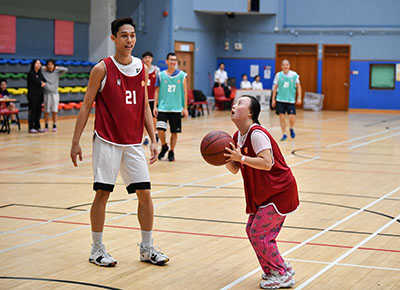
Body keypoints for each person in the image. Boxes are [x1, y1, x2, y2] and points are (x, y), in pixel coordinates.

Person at [70, 17, 169, 267]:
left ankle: (147, 248)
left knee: (145, 194)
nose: (129, 40)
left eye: (133, 35)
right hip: (107, 140)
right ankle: (96, 248)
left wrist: (154, 138)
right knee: (102, 193)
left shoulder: (140, 67)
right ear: (114, 38)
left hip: (133, 141)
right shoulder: (102, 68)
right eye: (124, 35)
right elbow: (85, 107)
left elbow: (145, 105)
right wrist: (75, 142)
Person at [224, 95, 299, 289]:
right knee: (252, 231)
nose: (234, 105)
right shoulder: (236, 137)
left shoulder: (256, 134)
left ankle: (281, 274)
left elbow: (267, 163)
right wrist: (222, 157)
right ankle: (277, 269)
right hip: (264, 193)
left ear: (250, 112)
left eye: (240, 103)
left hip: (280, 190)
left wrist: (241, 158)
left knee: (259, 234)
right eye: (235, 102)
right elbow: (234, 168)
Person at [153, 52, 188, 162]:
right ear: (166, 61)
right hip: (163, 108)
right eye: (171, 60)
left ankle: (171, 151)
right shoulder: (161, 75)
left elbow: (185, 92)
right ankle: (164, 146)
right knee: (160, 130)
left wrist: (185, 107)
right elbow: (157, 91)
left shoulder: (182, 75)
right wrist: (155, 106)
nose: (173, 62)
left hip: (176, 108)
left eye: (175, 60)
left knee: (174, 132)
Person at [271, 60, 302, 141]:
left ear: (289, 65)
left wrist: (299, 97)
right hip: (280, 99)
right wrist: (273, 99)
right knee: (282, 117)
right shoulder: (278, 75)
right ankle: (284, 133)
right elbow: (275, 87)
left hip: (290, 100)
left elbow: (298, 86)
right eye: (284, 65)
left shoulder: (294, 75)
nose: (285, 66)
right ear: (281, 66)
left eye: (287, 65)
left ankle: (291, 128)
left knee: (291, 117)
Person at [41, 59, 68, 132]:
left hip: (55, 94)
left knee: (54, 110)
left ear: (54, 65)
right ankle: (46, 125)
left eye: (51, 64)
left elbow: (65, 70)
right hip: (47, 93)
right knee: (46, 111)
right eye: (48, 65)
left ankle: (54, 125)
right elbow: (38, 68)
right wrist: (44, 67)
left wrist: (57, 68)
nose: (50, 66)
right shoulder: (44, 72)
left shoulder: (57, 73)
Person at [141, 51, 160, 145]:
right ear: (143, 59)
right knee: (144, 119)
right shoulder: (140, 69)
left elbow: (158, 86)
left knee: (154, 118)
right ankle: (145, 137)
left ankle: (155, 132)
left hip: (153, 98)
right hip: (143, 98)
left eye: (149, 57)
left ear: (152, 59)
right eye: (145, 57)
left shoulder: (156, 70)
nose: (147, 59)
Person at [27, 59, 46, 133]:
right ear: (33, 64)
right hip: (32, 95)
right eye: (37, 63)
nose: (38, 65)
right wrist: (40, 83)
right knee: (33, 111)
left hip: (40, 95)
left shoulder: (40, 74)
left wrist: (41, 83)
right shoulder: (31, 73)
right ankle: (31, 127)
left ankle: (37, 126)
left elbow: (44, 81)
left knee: (38, 111)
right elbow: (38, 83)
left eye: (39, 63)